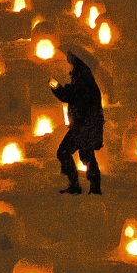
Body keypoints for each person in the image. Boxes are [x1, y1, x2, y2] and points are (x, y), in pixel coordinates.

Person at [51, 49, 104, 194]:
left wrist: (55, 86)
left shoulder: (82, 79)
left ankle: (78, 185)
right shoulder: (83, 77)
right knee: (86, 154)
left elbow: (69, 96)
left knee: (64, 152)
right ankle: (93, 187)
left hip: (84, 125)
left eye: (70, 55)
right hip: (86, 124)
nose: (67, 57)